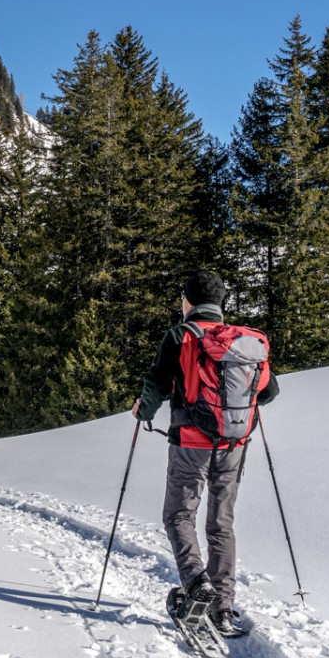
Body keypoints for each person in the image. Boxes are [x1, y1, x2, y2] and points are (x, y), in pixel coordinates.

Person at [130, 270, 278, 637]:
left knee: (179, 515)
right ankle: (223, 607)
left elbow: (157, 384)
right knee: (221, 522)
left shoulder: (181, 336)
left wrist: (142, 411)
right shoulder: (244, 341)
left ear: (188, 301)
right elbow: (269, 392)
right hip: (233, 445)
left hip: (190, 444)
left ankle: (197, 585)